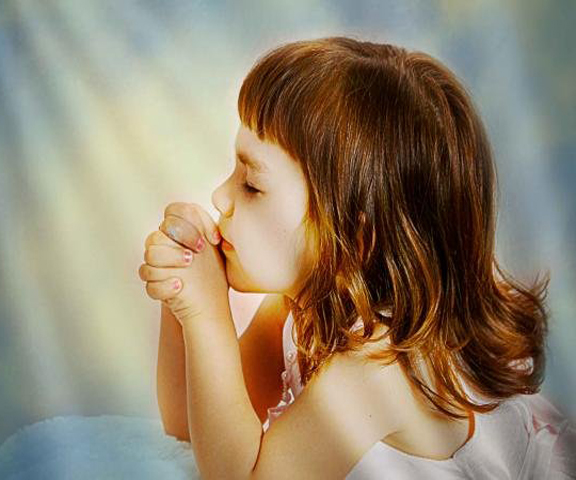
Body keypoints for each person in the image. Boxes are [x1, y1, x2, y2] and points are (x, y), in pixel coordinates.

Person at [139, 36, 575, 479]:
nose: (220, 196)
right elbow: (189, 428)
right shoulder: (304, 302)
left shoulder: (380, 362)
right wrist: (181, 293)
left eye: (252, 186)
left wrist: (207, 315)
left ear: (350, 237)